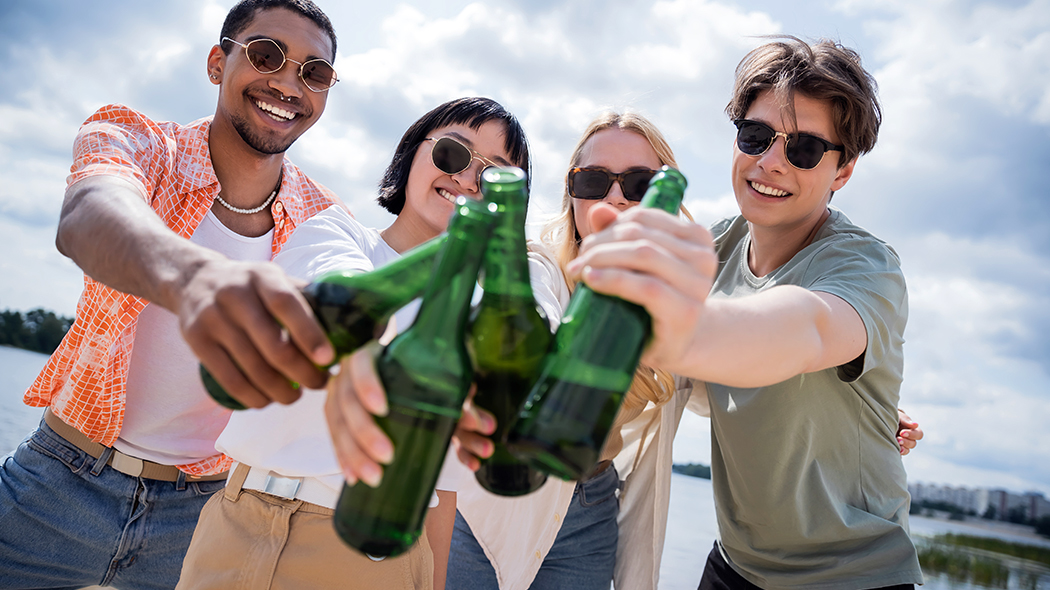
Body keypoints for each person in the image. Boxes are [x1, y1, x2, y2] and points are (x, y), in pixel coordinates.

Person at [333, 110, 924, 590]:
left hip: (591, 508)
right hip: (494, 505)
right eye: (593, 182)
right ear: (571, 193)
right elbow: (531, 319)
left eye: (638, 184)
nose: (613, 199)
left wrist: (844, 402)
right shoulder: (536, 262)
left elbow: (738, 358)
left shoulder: (685, 282)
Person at [0, 1, 342, 588]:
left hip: (201, 515)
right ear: (218, 62)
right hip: (59, 484)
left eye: (314, 72)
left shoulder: (325, 220)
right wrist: (198, 279)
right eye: (267, 55)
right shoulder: (142, 141)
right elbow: (89, 213)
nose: (288, 83)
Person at [569, 37, 925, 589]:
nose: (770, 162)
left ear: (844, 170)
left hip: (854, 576)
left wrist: (679, 330)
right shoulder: (713, 250)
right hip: (735, 565)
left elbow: (806, 327)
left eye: (803, 148)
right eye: (755, 136)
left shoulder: (866, 266)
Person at [176, 97, 533, 590]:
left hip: (368, 557)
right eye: (454, 154)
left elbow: (441, 484)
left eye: (495, 176)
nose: (470, 180)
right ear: (413, 153)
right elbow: (337, 288)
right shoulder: (336, 231)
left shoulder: (481, 317)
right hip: (237, 522)